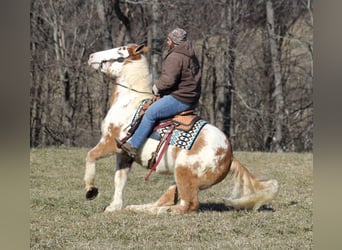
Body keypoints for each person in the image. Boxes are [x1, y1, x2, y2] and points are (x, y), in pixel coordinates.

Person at [120, 28, 202, 158]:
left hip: (180, 98)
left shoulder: (175, 56)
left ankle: (133, 146)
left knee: (151, 112)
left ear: (174, 42)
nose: (167, 41)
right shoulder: (190, 54)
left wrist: (157, 87)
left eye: (169, 39)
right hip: (190, 97)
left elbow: (168, 80)